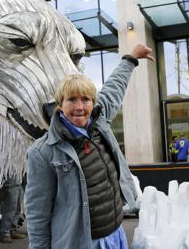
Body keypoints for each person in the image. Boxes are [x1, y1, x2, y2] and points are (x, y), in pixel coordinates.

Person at [25, 44, 154, 249]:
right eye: (72, 100)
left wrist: (131, 59)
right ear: (60, 104)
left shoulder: (100, 120)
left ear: (93, 103)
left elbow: (114, 87)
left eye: (85, 100)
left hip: (116, 234)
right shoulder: (42, 152)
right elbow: (37, 212)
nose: (79, 107)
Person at [0, 176, 26, 243]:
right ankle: (5, 233)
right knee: (10, 206)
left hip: (19, 173)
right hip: (9, 173)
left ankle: (12, 230)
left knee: (17, 206)